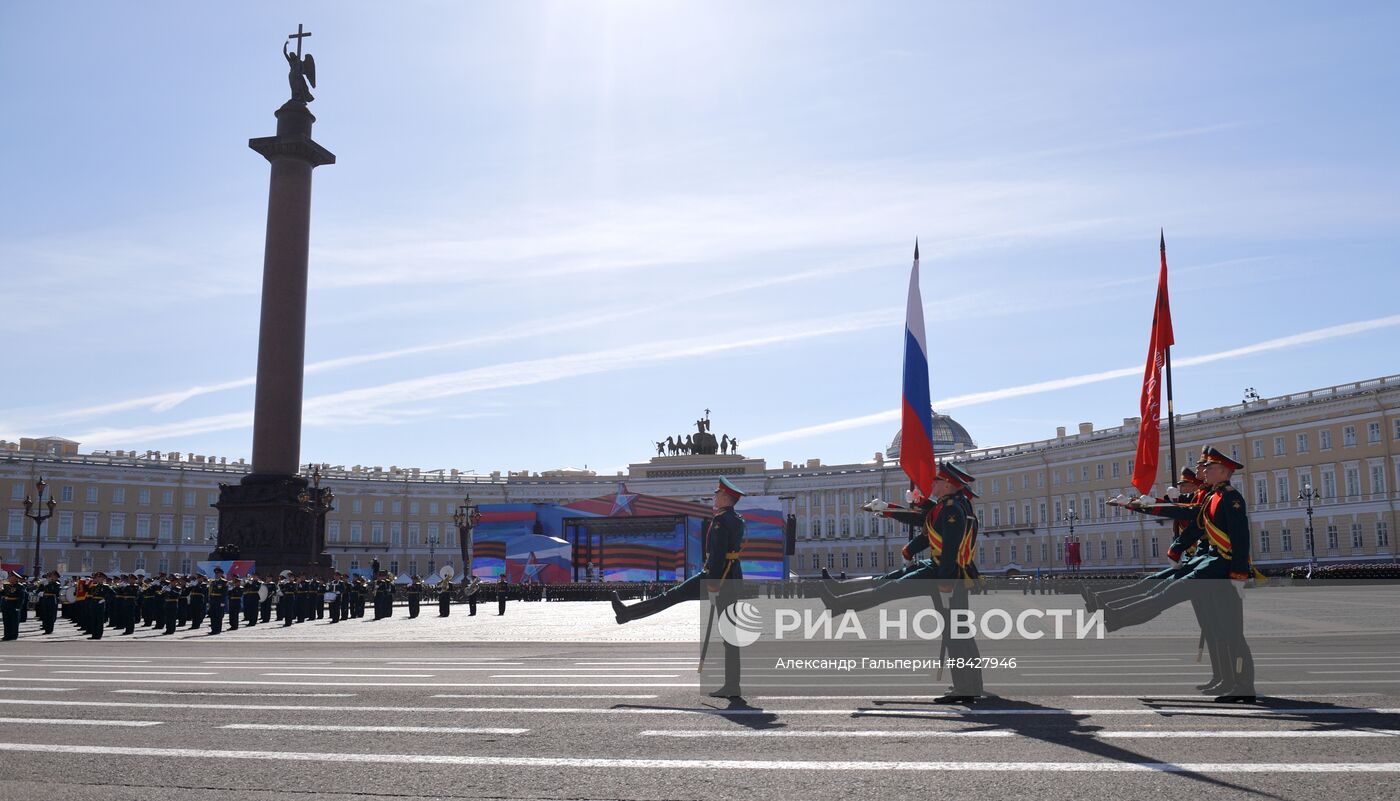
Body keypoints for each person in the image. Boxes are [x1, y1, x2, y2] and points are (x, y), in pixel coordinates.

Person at [1101, 446, 1257, 703]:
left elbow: (1241, 538)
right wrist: (1139, 505)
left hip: (1223, 570)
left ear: (1223, 471)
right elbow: (1183, 511)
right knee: (1219, 630)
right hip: (1211, 566)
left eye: (1208, 467)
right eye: (1203, 467)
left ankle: (1244, 686)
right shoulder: (1212, 498)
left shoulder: (1231, 498)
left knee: (1230, 632)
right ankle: (1231, 681)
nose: (1203, 471)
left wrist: (1240, 575)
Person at [824, 463, 984, 704]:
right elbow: (926, 522)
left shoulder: (953, 509)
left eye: (937, 481)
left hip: (949, 575)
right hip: (941, 569)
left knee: (954, 631)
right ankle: (840, 592)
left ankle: (967, 687)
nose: (932, 484)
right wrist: (889, 510)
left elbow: (949, 547)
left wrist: (946, 582)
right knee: (895, 584)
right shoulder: (950, 506)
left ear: (948, 484)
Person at [611, 476, 747, 697]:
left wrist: (713, 584)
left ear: (725, 497)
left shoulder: (722, 521)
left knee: (671, 596)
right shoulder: (737, 519)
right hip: (731, 577)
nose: (714, 496)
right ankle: (733, 684)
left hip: (718, 577)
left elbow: (719, 554)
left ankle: (626, 613)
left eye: (716, 494)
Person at [35, 570, 61, 635]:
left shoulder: (56, 584)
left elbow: (55, 592)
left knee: (51, 615)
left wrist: (48, 585)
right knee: (45, 614)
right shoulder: (45, 583)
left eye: (53, 576)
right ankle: (46, 628)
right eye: (51, 576)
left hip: (52, 600)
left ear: (56, 577)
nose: (51, 577)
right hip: (45, 600)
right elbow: (38, 590)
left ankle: (49, 630)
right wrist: (39, 592)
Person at [1, 572, 24, 641]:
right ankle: (7, 635)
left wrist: (18, 607)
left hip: (14, 605)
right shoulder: (6, 586)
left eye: (11, 577)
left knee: (14, 621)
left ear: (15, 578)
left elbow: (21, 598)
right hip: (6, 605)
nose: (9, 578)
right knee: (6, 621)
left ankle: (13, 635)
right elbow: (2, 594)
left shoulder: (20, 586)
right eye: (9, 577)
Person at [207, 567, 228, 635]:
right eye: (216, 573)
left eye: (218, 573)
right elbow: (210, 592)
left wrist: (222, 602)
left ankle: (218, 629)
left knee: (218, 615)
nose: (216, 574)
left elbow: (224, 593)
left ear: (221, 574)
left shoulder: (224, 582)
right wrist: (209, 601)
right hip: (213, 601)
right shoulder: (212, 582)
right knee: (212, 615)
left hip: (219, 600)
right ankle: (213, 629)